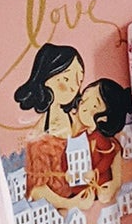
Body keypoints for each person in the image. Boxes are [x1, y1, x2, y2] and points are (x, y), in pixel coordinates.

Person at [14, 43, 85, 209]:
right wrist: (70, 203)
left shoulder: (78, 121)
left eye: (79, 80)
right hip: (57, 208)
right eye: (66, 79)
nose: (73, 87)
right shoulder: (38, 136)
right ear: (46, 79)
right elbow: (36, 190)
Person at [72, 78, 132, 204]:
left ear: (104, 118)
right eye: (84, 100)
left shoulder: (99, 138)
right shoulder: (81, 135)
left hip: (98, 182)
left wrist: (96, 171)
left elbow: (108, 156)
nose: (84, 107)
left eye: (94, 106)